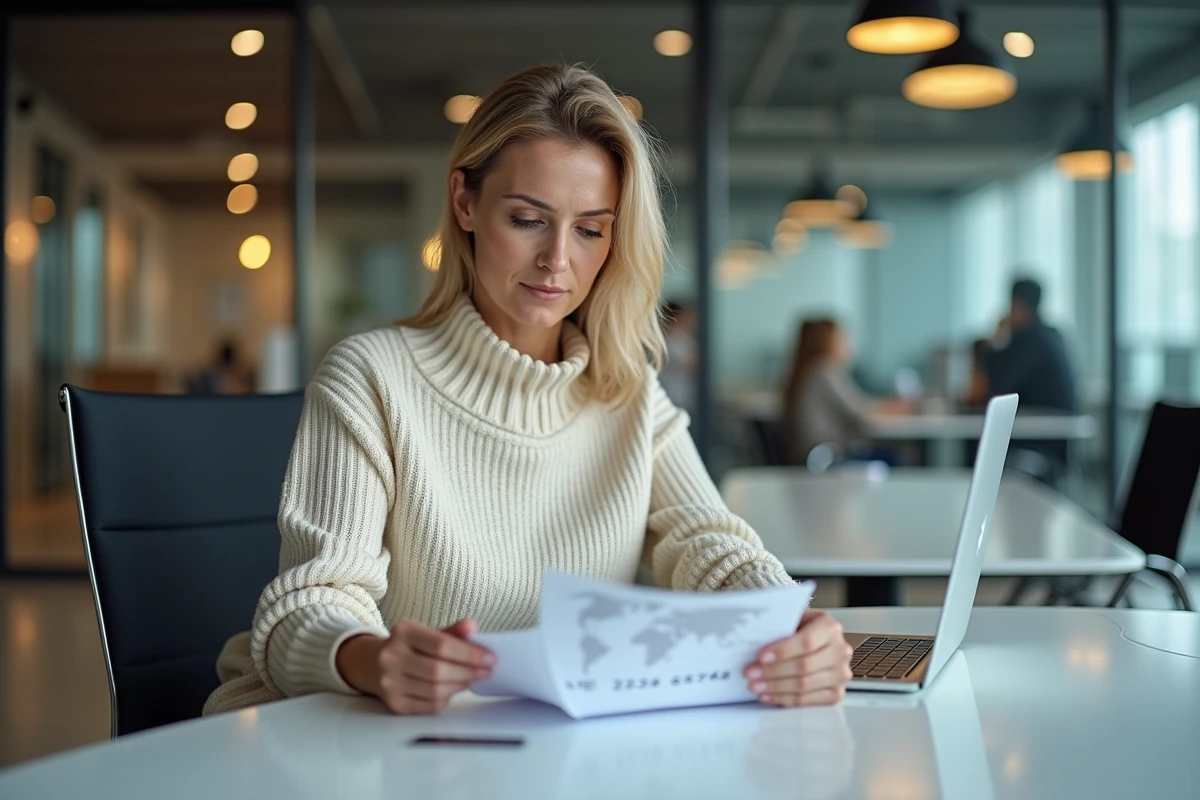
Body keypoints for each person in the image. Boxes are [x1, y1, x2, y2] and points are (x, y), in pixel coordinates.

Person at [204, 64, 852, 718]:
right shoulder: (373, 377)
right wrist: (372, 659)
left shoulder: (625, 390)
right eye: (527, 219)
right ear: (465, 204)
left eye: (591, 229)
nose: (558, 261)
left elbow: (711, 545)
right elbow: (310, 604)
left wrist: (789, 625)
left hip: (536, 745)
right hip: (351, 739)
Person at [781, 318, 909, 466]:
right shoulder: (825, 371)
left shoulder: (807, 371)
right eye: (841, 338)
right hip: (829, 457)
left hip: (816, 455)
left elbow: (859, 407)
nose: (847, 344)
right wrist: (895, 407)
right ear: (826, 341)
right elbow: (862, 414)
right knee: (900, 456)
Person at [982, 278, 1076, 412]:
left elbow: (1001, 389)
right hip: (1056, 421)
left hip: (1047, 424)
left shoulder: (1030, 342)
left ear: (1018, 305)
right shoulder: (1052, 334)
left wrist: (996, 340)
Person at [660, 300, 699, 419]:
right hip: (674, 396)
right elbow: (692, 365)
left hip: (683, 396)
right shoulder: (672, 341)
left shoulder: (684, 339)